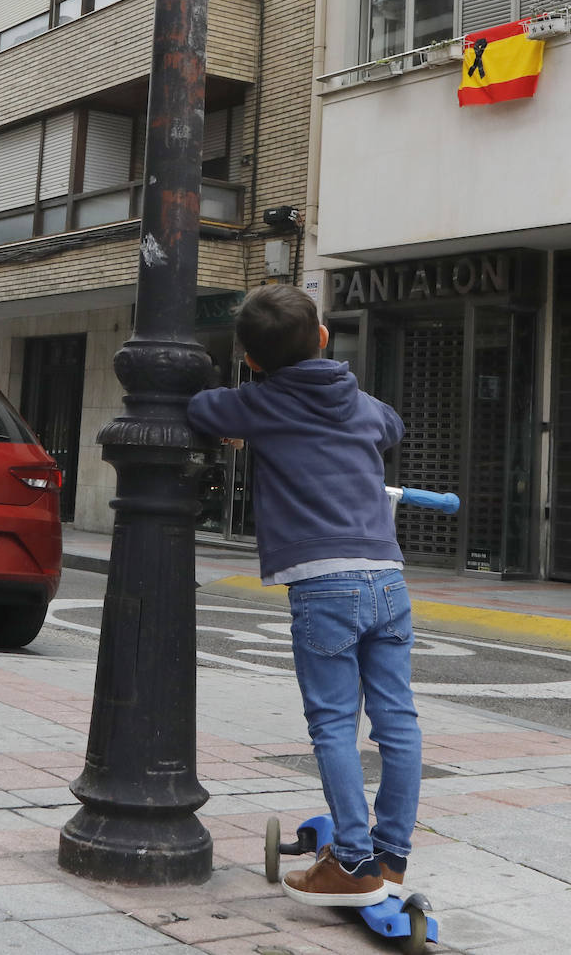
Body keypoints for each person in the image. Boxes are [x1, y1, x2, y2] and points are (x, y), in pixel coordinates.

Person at [186, 284, 416, 908]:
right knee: (397, 719)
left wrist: (245, 398)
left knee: (335, 724)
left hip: (324, 584)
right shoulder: (359, 402)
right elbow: (390, 425)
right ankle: (391, 853)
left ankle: (352, 861)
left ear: (252, 360)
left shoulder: (260, 402)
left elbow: (204, 409)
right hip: (387, 577)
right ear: (322, 337)